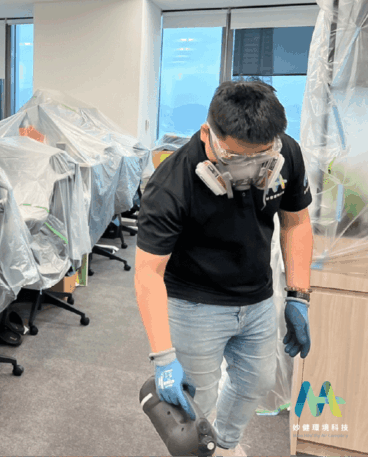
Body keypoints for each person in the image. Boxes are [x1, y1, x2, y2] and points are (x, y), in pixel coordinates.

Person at [134, 79, 314, 456]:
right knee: (194, 404)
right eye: (236, 158)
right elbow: (148, 273)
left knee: (255, 384)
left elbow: (296, 221)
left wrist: (299, 295)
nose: (251, 171)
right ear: (208, 135)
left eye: (261, 158)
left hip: (258, 297)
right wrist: (163, 358)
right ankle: (205, 449)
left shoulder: (287, 153)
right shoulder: (171, 185)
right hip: (194, 303)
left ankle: (225, 445)